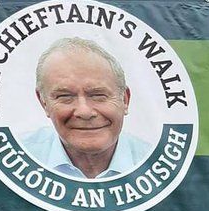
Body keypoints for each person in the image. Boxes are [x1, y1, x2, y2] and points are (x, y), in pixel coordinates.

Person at [24, 37, 151, 179]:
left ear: (125, 100)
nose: (84, 112)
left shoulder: (159, 166)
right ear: (44, 102)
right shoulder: (13, 162)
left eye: (98, 95)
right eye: (65, 96)